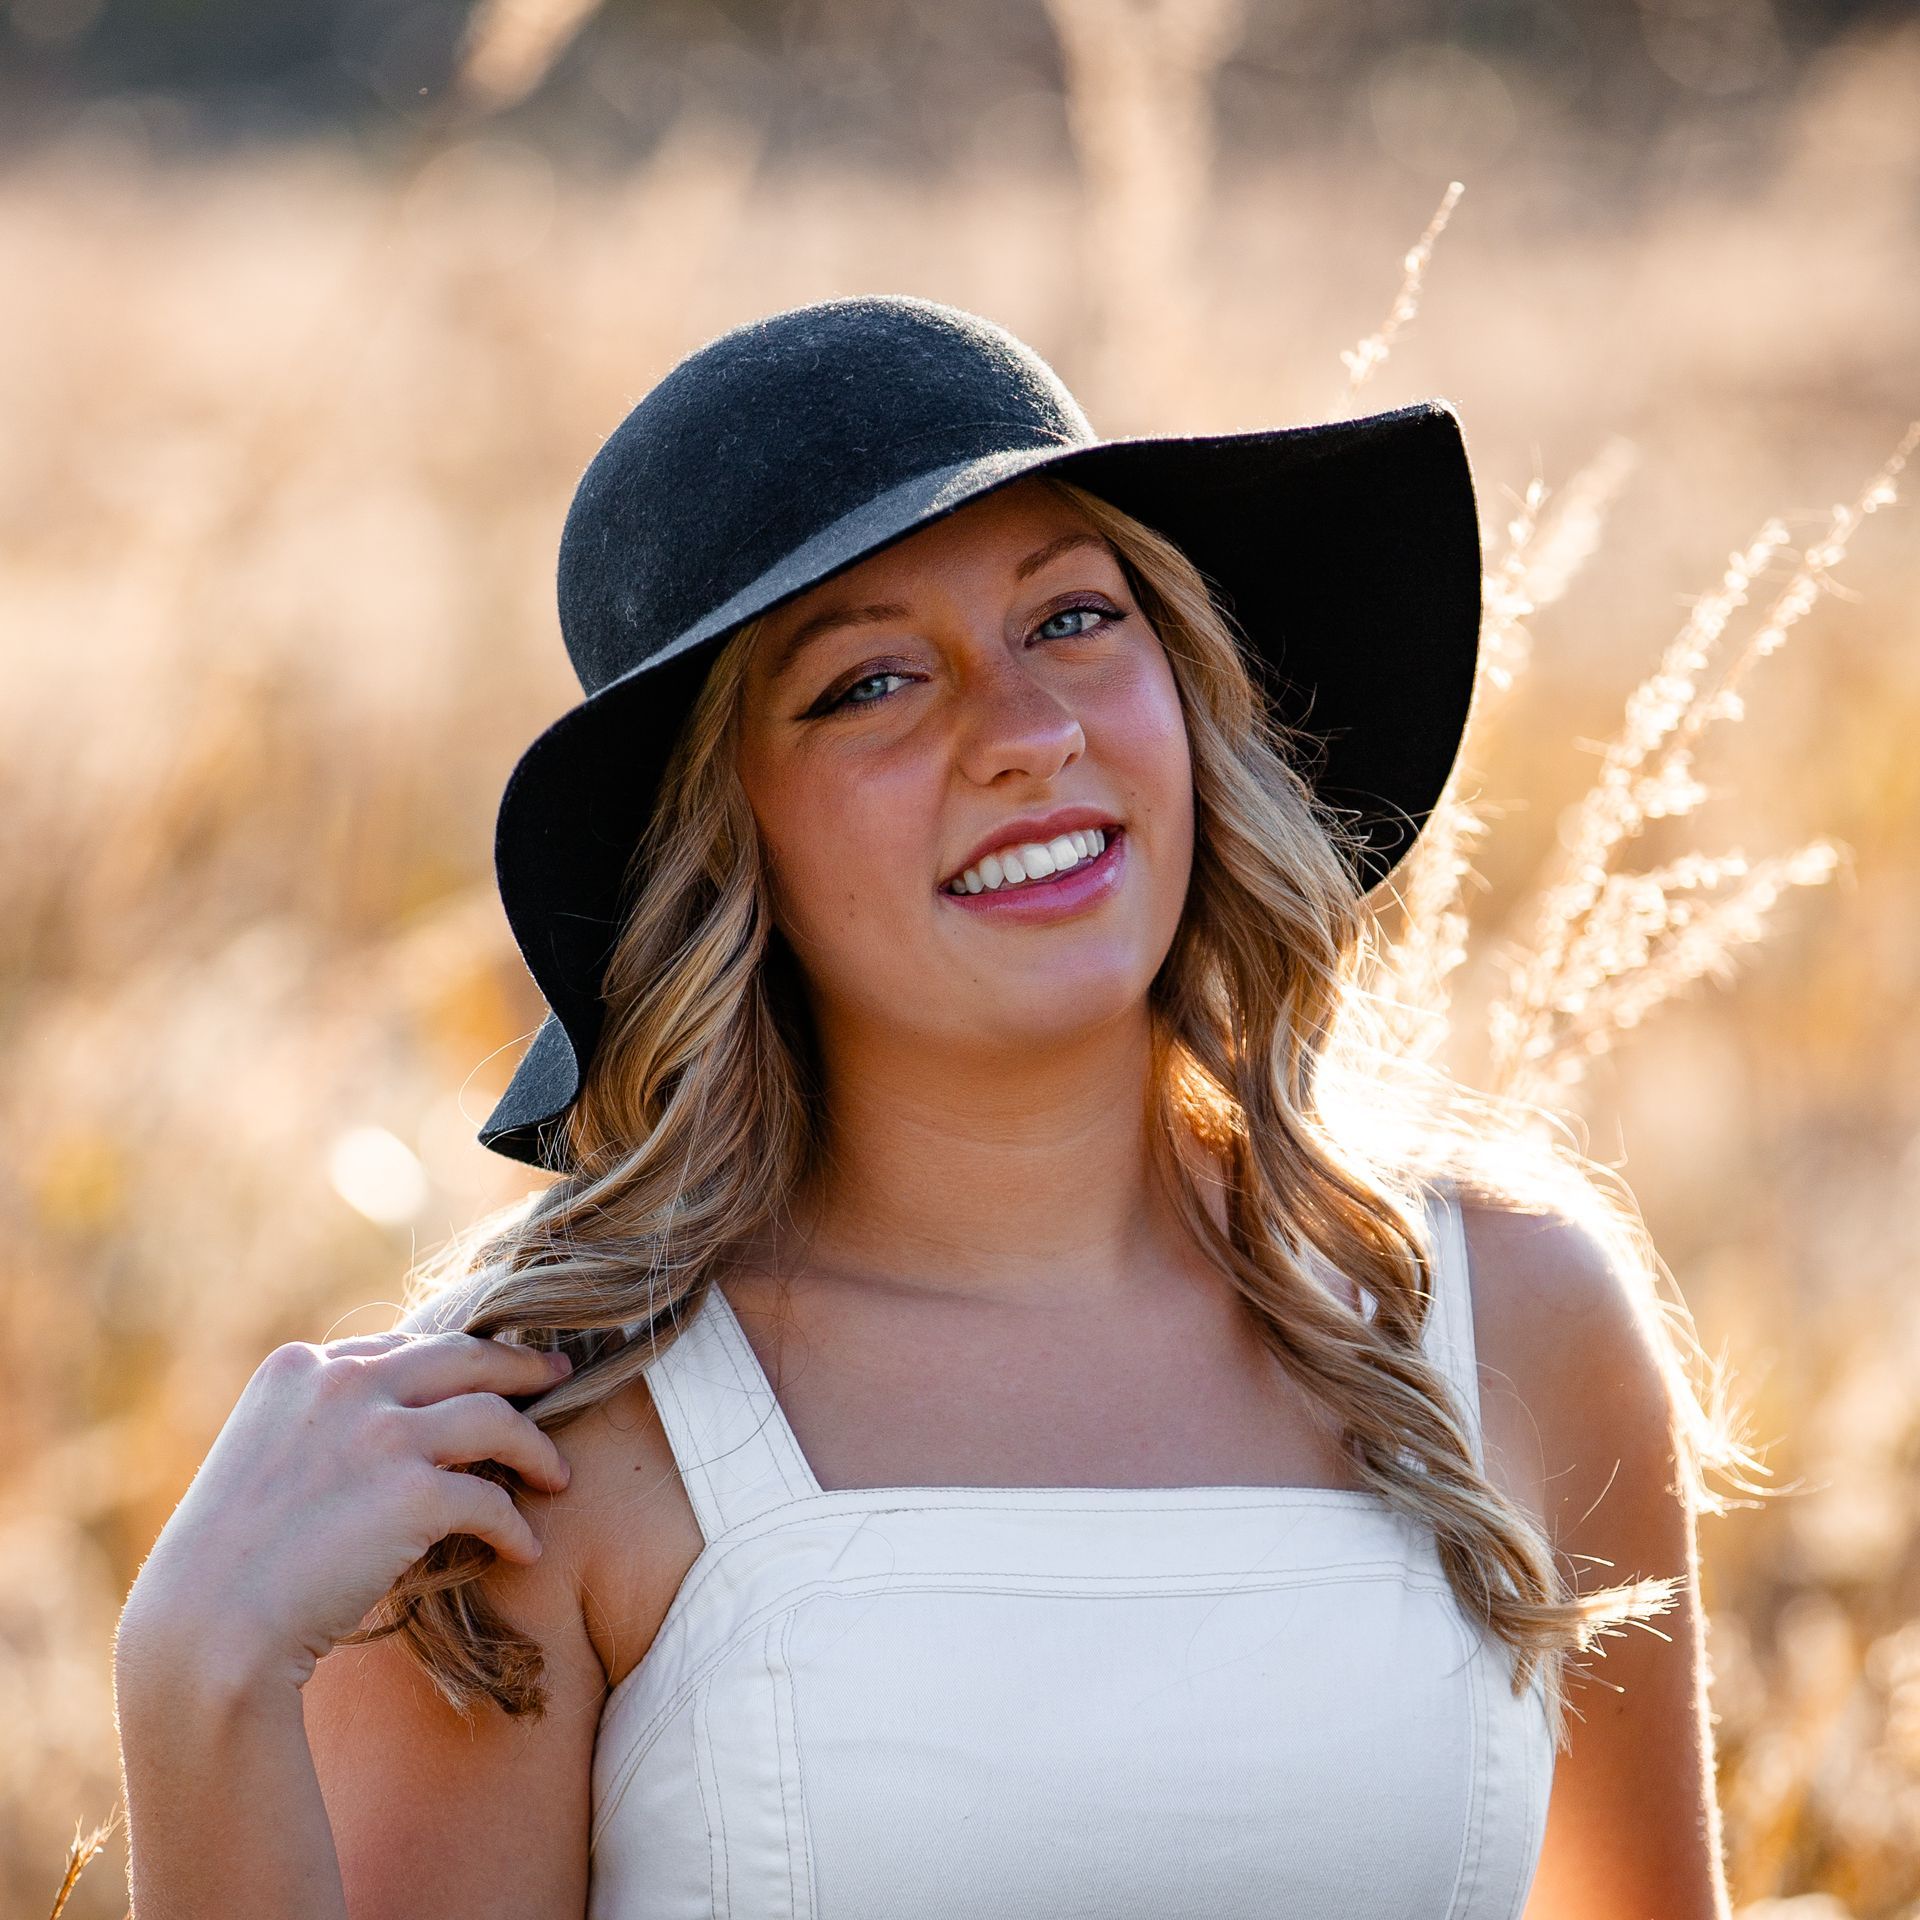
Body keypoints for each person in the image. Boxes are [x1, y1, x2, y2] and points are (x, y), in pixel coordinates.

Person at [114, 296, 1732, 1917]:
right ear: (721, 842)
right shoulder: (546, 1445)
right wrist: (194, 1681)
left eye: (1074, 620)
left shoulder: (1509, 1317)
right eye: (871, 682)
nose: (1028, 734)